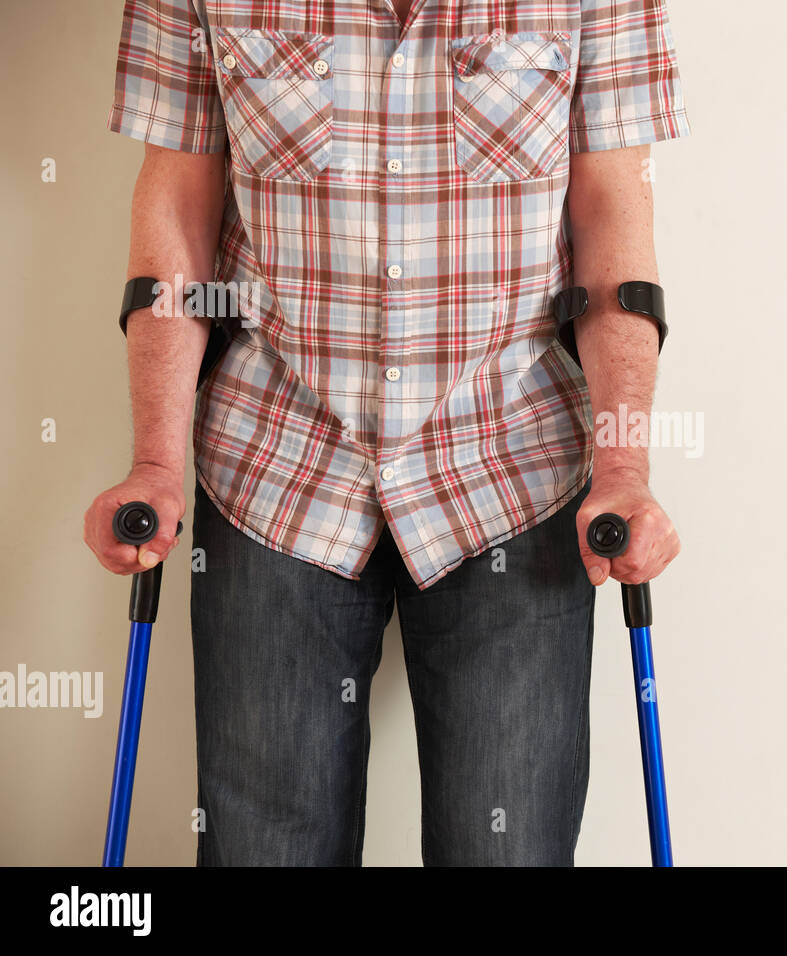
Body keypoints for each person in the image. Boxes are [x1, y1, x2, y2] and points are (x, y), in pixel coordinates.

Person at [83, 0, 689, 866]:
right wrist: (153, 462)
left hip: (508, 468)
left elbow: (613, 230)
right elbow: (178, 213)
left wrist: (625, 466)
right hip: (276, 470)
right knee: (263, 853)